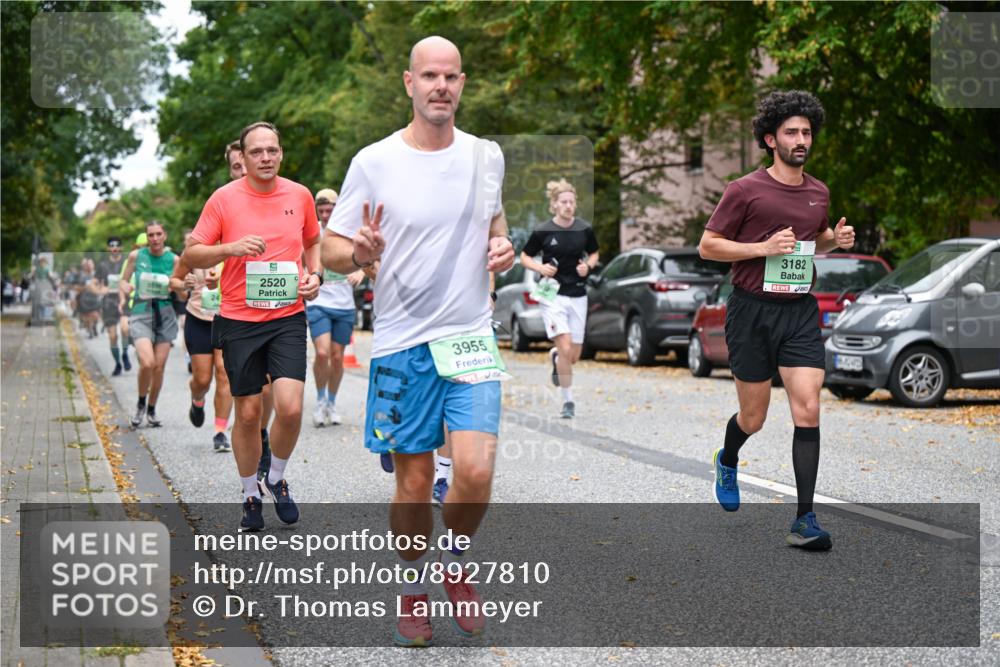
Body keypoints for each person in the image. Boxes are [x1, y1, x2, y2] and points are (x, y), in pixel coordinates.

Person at [322, 36, 515, 647]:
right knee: (411, 483)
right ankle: (412, 586)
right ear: (408, 83)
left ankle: (454, 559)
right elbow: (328, 250)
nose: (441, 86)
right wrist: (359, 251)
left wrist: (503, 252)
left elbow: (496, 230)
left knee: (477, 471)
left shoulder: (487, 156)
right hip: (403, 344)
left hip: (469, 338)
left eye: (451, 77)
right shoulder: (374, 161)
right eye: (429, 75)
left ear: (463, 82)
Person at [698, 90, 855, 551]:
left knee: (807, 408)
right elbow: (709, 246)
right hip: (751, 311)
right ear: (771, 138)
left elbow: (812, 243)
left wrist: (835, 241)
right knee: (754, 417)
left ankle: (805, 520)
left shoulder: (818, 192)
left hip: (799, 312)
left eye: (807, 132)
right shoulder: (744, 190)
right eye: (791, 132)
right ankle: (727, 458)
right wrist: (760, 248)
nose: (801, 139)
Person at [184, 121, 322, 532]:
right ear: (241, 158)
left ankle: (275, 477)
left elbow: (313, 241)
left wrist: (315, 276)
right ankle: (249, 494)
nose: (265, 158)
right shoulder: (224, 200)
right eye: (256, 152)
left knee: (292, 407)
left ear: (281, 153)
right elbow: (193, 254)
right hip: (239, 320)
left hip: (287, 317)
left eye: (272, 150)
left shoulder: (300, 195)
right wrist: (230, 248)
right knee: (246, 415)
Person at [520, 179, 599, 419]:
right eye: (563, 202)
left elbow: (594, 253)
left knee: (573, 355)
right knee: (565, 347)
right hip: (552, 295)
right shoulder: (543, 230)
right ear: (554, 204)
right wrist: (540, 268)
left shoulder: (584, 229)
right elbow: (524, 256)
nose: (568, 206)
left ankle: (555, 357)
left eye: (571, 202)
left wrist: (588, 265)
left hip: (577, 294)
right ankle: (568, 401)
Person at [306, 188, 364, 427]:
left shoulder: (347, 233)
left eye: (329, 210)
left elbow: (365, 257)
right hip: (319, 301)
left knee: (338, 357)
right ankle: (320, 402)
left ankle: (331, 401)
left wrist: (360, 271)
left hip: (344, 304)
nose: (325, 214)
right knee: (322, 353)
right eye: (321, 210)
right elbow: (301, 260)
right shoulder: (312, 233)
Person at [119, 222, 181, 428]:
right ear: (146, 237)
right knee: (147, 363)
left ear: (165, 235)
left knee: (159, 367)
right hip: (141, 312)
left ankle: (152, 409)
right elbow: (123, 280)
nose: (154, 238)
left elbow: (182, 291)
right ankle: (140, 404)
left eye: (158, 234)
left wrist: (182, 288)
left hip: (165, 314)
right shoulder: (136, 256)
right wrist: (125, 287)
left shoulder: (174, 260)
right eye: (150, 235)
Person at [170, 253, 233, 452]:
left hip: (227, 319)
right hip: (198, 318)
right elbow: (174, 281)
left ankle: (220, 432)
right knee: (202, 380)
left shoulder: (236, 245)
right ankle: (197, 399)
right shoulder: (196, 249)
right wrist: (183, 285)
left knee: (224, 373)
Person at [96, 236, 131, 375]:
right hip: (108, 302)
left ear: (121, 248)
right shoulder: (103, 266)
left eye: (117, 245)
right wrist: (100, 290)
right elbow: (96, 283)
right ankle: (117, 364)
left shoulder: (127, 263)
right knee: (112, 337)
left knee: (125, 329)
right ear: (108, 248)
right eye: (112, 245)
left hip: (125, 301)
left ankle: (125, 353)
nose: (114, 248)